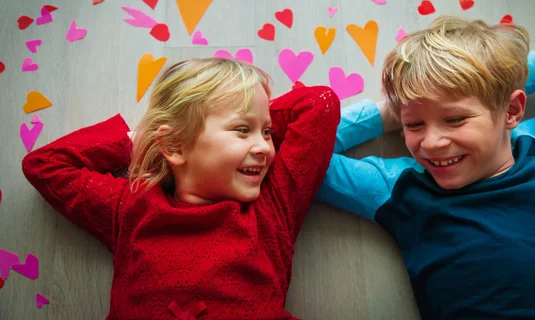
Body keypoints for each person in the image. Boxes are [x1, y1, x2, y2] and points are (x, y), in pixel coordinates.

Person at [317, 15, 535, 319]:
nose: (432, 142)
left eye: (454, 119)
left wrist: (494, 84)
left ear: (512, 110)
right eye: (414, 124)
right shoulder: (398, 187)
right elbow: (305, 159)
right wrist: (388, 111)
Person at [22, 58, 341, 320]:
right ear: (174, 146)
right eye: (242, 130)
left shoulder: (271, 209)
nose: (264, 147)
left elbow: (320, 104)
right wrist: (141, 138)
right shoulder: (132, 207)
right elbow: (45, 165)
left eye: (268, 132)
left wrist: (253, 110)